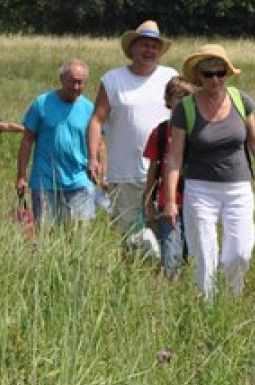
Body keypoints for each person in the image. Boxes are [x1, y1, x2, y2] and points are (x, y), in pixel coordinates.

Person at [161, 45, 255, 299]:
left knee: (240, 252)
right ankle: (207, 308)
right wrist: (169, 200)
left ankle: (232, 299)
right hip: (200, 189)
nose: (215, 79)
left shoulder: (240, 100)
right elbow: (175, 157)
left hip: (238, 188)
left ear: (227, 73)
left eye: (220, 73)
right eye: (208, 73)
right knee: (205, 256)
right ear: (198, 76)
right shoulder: (184, 108)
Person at [87, 20, 179, 234]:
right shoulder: (113, 80)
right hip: (125, 174)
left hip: (164, 173)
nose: (150, 50)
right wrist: (93, 158)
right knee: (129, 236)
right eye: (145, 45)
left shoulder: (170, 77)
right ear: (132, 48)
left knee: (165, 234)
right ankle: (130, 268)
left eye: (155, 46)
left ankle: (162, 269)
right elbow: (96, 121)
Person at [16, 59, 95, 227]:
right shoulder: (41, 104)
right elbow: (27, 141)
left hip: (79, 180)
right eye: (71, 81)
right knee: (46, 233)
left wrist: (101, 170)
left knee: (79, 232)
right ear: (61, 79)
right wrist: (21, 175)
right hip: (45, 180)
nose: (75, 87)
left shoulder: (89, 108)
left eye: (80, 83)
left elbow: (99, 143)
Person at [142, 75, 194, 278]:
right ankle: (171, 289)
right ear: (168, 100)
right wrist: (148, 202)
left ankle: (188, 291)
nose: (181, 101)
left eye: (186, 97)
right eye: (176, 96)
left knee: (192, 253)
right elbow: (153, 170)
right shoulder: (161, 132)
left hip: (195, 200)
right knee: (171, 252)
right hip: (167, 202)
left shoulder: (198, 132)